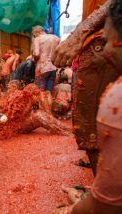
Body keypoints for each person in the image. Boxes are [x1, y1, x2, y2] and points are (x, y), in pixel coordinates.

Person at [55, 3, 122, 213]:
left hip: (99, 36)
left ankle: (106, 196)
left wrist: (78, 35)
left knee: (92, 132)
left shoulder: (116, 97)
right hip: (101, 34)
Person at [32, 25, 60, 91]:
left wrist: (34, 58)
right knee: (48, 92)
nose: (34, 37)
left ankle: (43, 101)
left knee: (41, 92)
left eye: (34, 35)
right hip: (53, 67)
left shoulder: (38, 39)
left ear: (37, 32)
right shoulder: (56, 38)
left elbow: (37, 54)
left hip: (42, 67)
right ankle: (49, 101)